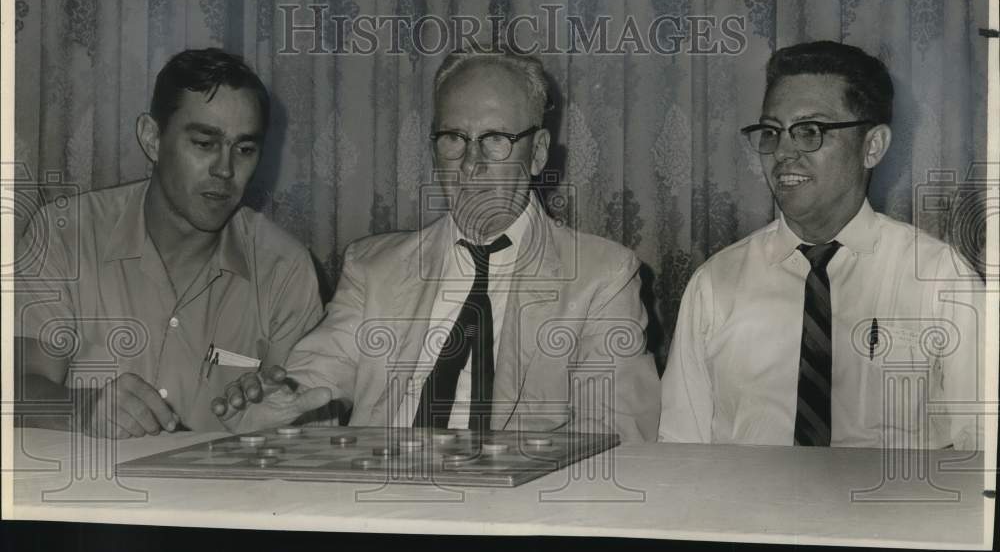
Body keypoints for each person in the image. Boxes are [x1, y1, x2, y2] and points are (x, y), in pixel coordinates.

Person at [214, 49, 661, 442]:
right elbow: (319, 370)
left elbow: (617, 432)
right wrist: (280, 399)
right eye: (454, 138)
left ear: (539, 152)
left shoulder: (602, 276)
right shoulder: (374, 268)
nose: (471, 164)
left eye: (495, 140)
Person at [659, 41, 983, 449]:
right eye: (771, 133)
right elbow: (680, 447)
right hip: (743, 510)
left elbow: (982, 446)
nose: (783, 152)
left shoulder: (938, 277)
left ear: (872, 146)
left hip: (886, 509)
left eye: (810, 131)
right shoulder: (715, 283)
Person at [14, 48, 325, 438]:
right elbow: (20, 385)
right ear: (152, 138)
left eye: (244, 150)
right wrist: (81, 409)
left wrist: (277, 429)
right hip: (86, 491)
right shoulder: (64, 234)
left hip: (222, 494)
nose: (225, 170)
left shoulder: (286, 269)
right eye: (204, 143)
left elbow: (307, 426)